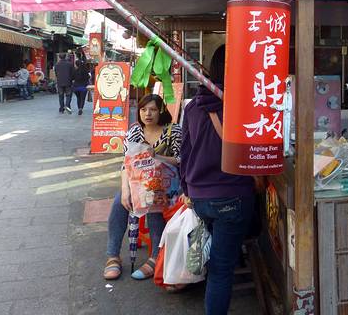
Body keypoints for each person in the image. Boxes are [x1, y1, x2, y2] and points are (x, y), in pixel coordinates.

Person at [180, 45, 255, 315]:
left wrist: (187, 188)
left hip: (200, 196)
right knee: (221, 269)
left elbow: (184, 152)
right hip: (233, 197)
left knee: (218, 263)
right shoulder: (244, 105)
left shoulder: (193, 106)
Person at [103, 94, 182, 281]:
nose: (148, 114)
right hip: (139, 182)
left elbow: (181, 160)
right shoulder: (135, 132)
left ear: (161, 111)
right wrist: (125, 190)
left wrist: (156, 157)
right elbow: (126, 164)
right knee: (119, 203)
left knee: (153, 201)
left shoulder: (173, 131)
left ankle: (155, 257)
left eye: (153, 110)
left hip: (168, 185)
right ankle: (113, 255)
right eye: (144, 110)